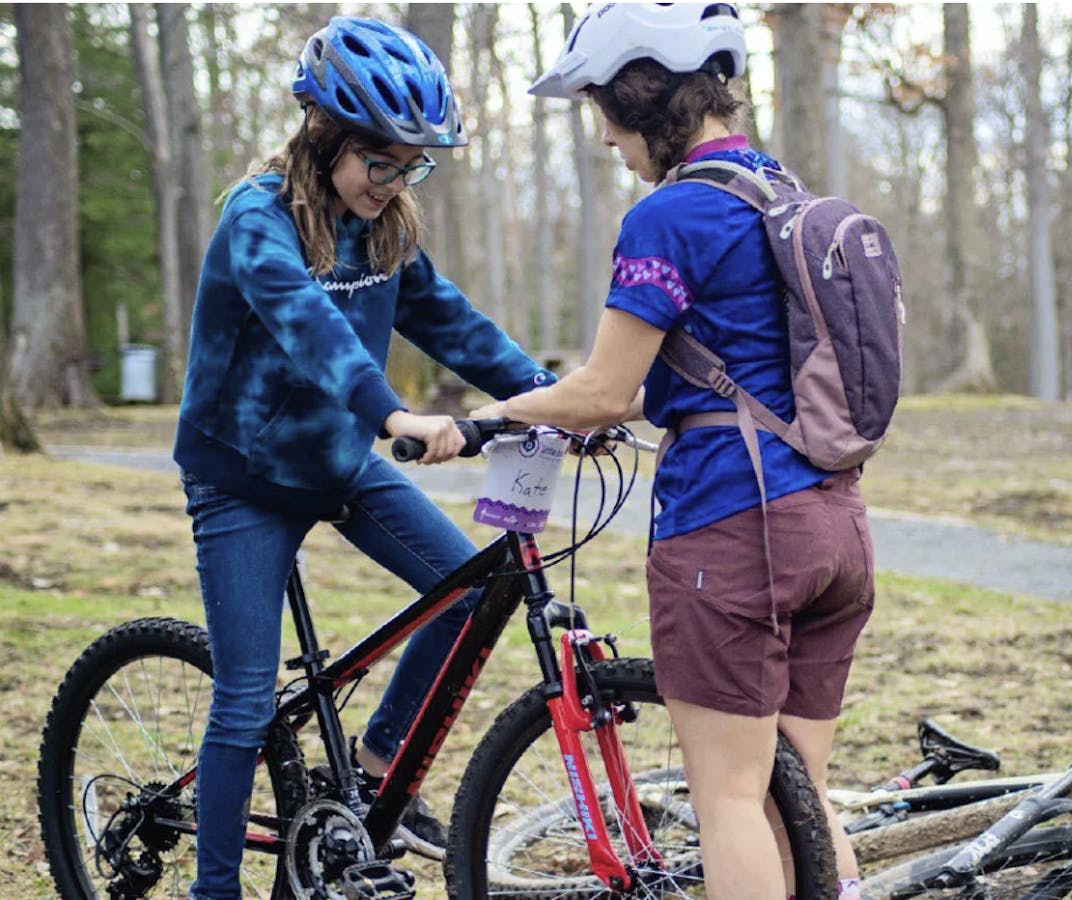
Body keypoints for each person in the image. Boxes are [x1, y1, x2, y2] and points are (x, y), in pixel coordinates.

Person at [473, 5, 873, 898]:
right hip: (836, 527)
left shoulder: (673, 214)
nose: (609, 140)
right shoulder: (786, 195)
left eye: (607, 116)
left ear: (644, 95)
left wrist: (477, 421)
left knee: (730, 796)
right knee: (796, 798)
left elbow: (602, 391)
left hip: (736, 530)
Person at [173, 17, 555, 899]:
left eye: (411, 164)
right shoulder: (257, 218)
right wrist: (393, 414)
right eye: (379, 161)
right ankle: (214, 890)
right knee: (244, 703)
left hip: (339, 463)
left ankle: (379, 769)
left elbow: (454, 323)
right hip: (245, 480)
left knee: (465, 590)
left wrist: (552, 395)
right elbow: (307, 328)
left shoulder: (385, 230)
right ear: (325, 138)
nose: (392, 181)